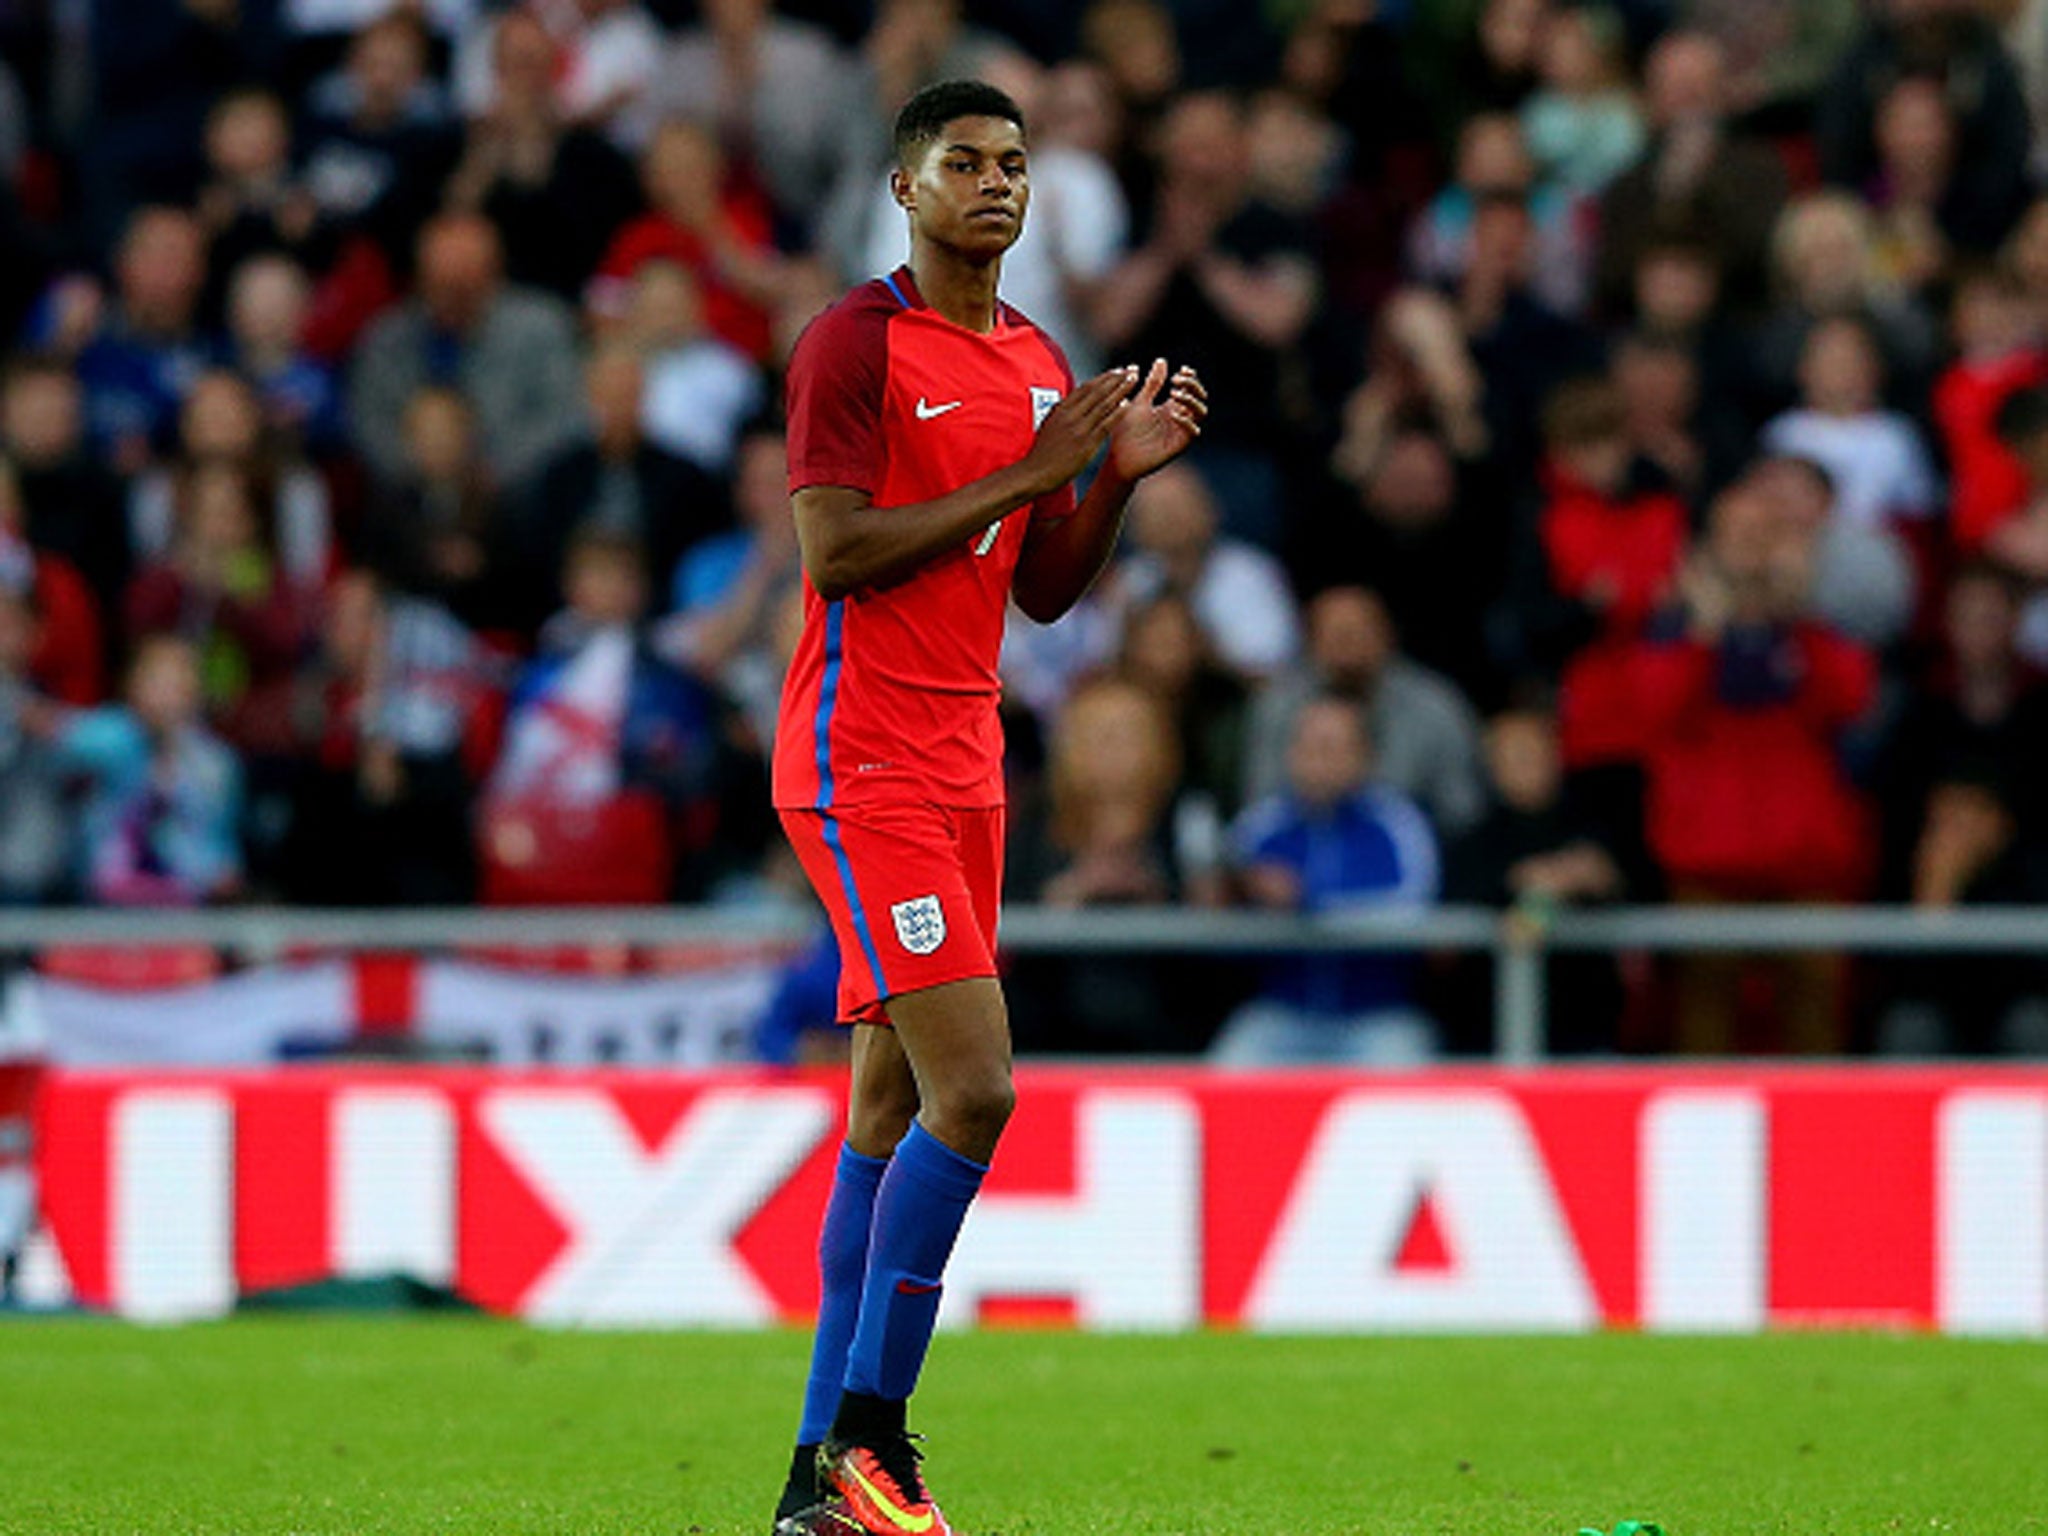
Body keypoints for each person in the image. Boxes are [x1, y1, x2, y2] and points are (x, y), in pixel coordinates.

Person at [767, 79, 1205, 1536]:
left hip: (967, 762)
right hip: (860, 755)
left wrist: (1109, 486)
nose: (996, 183)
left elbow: (1039, 585)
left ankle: (811, 1479)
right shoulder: (854, 342)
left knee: (891, 1105)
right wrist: (1034, 469)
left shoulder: (1034, 356)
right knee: (981, 1087)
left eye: (1016, 164)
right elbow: (834, 558)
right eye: (964, 162)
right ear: (907, 188)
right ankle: (874, 1451)